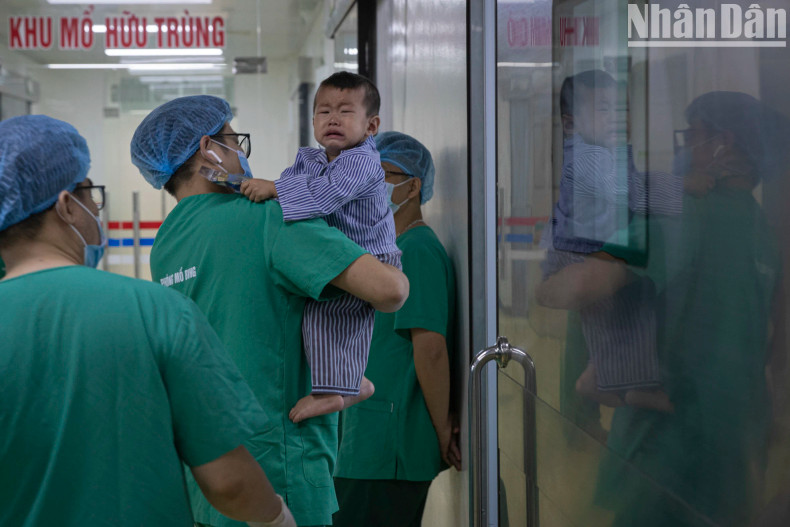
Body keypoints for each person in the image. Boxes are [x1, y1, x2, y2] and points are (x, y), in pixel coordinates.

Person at [0, 115, 295, 527]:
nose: (95, 210)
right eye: (92, 195)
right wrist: (277, 518)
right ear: (67, 206)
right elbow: (229, 482)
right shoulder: (155, 310)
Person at [130, 95, 409, 527]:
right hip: (277, 477)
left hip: (212, 474)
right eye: (234, 141)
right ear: (209, 148)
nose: (241, 153)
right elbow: (389, 290)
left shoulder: (166, 243)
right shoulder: (266, 219)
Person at [543, 91, 786, 526]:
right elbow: (772, 351)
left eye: (693, 135)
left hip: (661, 465)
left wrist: (544, 283)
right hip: (729, 462)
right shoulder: (764, 234)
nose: (685, 147)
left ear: (723, 143)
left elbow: (575, 290)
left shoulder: (675, 216)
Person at [239, 71, 400, 423]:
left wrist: (274, 189)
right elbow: (285, 191)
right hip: (336, 254)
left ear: (371, 126)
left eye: (345, 111)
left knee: (331, 318)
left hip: (370, 256)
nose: (333, 119)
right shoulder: (312, 160)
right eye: (324, 112)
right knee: (318, 318)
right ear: (313, 120)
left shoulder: (362, 161)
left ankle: (337, 392)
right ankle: (351, 382)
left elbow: (325, 196)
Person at [332, 132, 461, 527]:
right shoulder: (386, 249)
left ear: (413, 185)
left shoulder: (417, 250)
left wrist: (442, 430)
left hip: (387, 444)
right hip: (366, 437)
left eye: (380, 175)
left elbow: (431, 349)